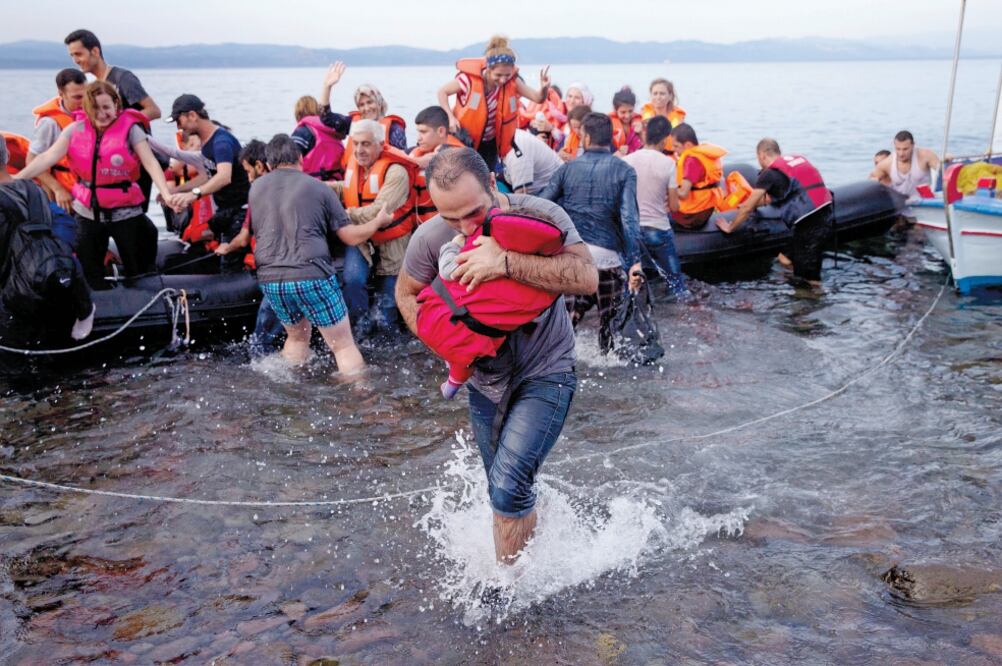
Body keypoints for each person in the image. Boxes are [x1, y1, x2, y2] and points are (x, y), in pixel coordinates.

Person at [395, 147, 597, 564]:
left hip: (547, 369)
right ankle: (528, 554)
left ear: (492, 183)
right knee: (501, 488)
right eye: (451, 218)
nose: (465, 227)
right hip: (485, 381)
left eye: (474, 213)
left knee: (507, 488)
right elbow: (406, 294)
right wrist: (447, 344)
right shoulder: (430, 238)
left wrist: (504, 262)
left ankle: (508, 588)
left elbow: (586, 277)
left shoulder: (539, 215)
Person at [248, 134, 393, 371]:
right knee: (343, 346)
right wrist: (378, 221)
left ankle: (289, 385)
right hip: (311, 275)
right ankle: (360, 391)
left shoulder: (256, 188)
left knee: (297, 339)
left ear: (268, 163)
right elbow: (349, 236)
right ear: (300, 158)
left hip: (271, 280)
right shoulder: (318, 188)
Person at [14, 81, 177, 289]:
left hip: (126, 213)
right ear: (87, 109)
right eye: (95, 108)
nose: (101, 114)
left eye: (106, 107)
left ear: (116, 105)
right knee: (88, 272)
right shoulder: (74, 129)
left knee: (139, 268)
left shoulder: (131, 130)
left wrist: (166, 194)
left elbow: (150, 163)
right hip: (87, 213)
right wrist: (16, 180)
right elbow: (47, 157)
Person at [422, 206, 566, 400]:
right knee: (475, 355)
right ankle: (453, 385)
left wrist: (453, 245)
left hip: (433, 319)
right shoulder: (542, 285)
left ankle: (451, 366)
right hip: (475, 345)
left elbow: (448, 271)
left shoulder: (482, 249)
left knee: (460, 342)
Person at [540, 112, 643, 354]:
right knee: (610, 331)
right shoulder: (625, 171)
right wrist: (634, 262)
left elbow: (542, 206)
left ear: (585, 137)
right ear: (611, 138)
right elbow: (629, 219)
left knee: (565, 329)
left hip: (573, 259)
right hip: (607, 260)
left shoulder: (567, 169)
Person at [329, 120, 418, 338]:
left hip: (391, 242)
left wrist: (342, 215)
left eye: (366, 144)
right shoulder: (358, 166)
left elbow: (379, 211)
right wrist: (320, 189)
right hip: (362, 238)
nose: (359, 150)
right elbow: (345, 189)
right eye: (356, 143)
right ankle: (358, 331)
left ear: (380, 144)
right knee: (353, 280)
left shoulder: (397, 172)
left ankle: (390, 341)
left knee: (387, 304)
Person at [0, 141, 94, 340]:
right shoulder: (34, 190)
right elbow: (65, 228)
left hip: (14, 301)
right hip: (48, 287)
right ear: (7, 156)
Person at [716, 138, 833, 284]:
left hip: (811, 223)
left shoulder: (769, 174)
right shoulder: (795, 161)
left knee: (810, 277)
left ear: (762, 155)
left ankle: (811, 293)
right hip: (824, 212)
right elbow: (771, 198)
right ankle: (795, 284)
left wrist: (730, 227)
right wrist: (748, 204)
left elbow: (747, 209)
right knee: (784, 259)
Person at [438, 35, 551, 172]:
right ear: (488, 69)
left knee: (485, 177)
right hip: (465, 139)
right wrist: (450, 117)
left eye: (507, 75)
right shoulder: (467, 80)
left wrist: (544, 88)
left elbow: (538, 98)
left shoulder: (512, 81)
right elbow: (442, 92)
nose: (503, 80)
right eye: (498, 75)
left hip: (490, 144)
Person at [166, 94, 251, 273]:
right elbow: (208, 176)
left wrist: (194, 195)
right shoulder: (206, 143)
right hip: (224, 210)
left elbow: (224, 177)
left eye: (179, 121)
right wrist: (178, 192)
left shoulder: (221, 142)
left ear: (192, 115)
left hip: (240, 210)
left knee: (230, 266)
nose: (178, 127)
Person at [215, 140, 284, 357]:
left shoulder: (258, 193)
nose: (248, 178)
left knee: (261, 339)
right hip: (295, 269)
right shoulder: (290, 187)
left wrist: (226, 248)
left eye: (247, 171)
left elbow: (243, 239)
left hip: (277, 274)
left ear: (260, 166)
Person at [622, 116, 688, 299]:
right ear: (666, 139)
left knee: (630, 283)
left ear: (645, 134)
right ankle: (683, 307)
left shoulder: (626, 161)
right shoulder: (668, 164)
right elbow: (674, 206)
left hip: (631, 230)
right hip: (658, 229)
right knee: (676, 283)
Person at [27, 68, 88, 214]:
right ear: (61, 94)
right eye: (77, 97)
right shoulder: (49, 123)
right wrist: (57, 189)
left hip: (90, 191)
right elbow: (31, 161)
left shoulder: (95, 114)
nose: (84, 102)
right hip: (66, 195)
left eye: (87, 95)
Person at [64, 29, 161, 120]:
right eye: (72, 56)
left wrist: (121, 124)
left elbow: (154, 111)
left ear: (95, 52)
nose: (75, 61)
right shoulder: (94, 86)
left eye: (79, 54)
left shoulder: (123, 78)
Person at [410, 106, 467, 223]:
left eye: (423, 132)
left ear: (441, 131)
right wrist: (417, 162)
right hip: (418, 220)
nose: (418, 138)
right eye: (418, 132)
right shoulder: (417, 153)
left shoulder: (457, 158)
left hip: (444, 223)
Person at [668, 123, 727, 230]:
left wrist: (667, 189)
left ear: (688, 145)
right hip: (705, 210)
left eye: (676, 146)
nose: (673, 149)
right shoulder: (703, 155)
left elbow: (683, 193)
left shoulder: (692, 161)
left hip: (691, 217)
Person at [870, 130, 939, 200]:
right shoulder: (887, 163)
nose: (901, 154)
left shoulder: (926, 156)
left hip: (925, 202)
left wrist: (944, 164)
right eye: (898, 149)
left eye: (905, 149)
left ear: (913, 145)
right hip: (902, 203)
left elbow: (942, 171)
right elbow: (871, 181)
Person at [291, 94, 345, 182]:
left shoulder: (302, 132)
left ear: (298, 113)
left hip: (310, 184)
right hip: (337, 184)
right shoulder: (334, 132)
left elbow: (289, 161)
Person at [502, 129, 563, 195]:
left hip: (553, 187)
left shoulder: (517, 151)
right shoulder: (508, 137)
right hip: (536, 187)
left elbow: (522, 195)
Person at [610, 87, 644, 156]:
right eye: (623, 112)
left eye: (630, 111)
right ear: (615, 110)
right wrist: (617, 150)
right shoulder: (608, 125)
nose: (627, 116)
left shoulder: (641, 122)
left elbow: (647, 145)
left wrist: (641, 134)